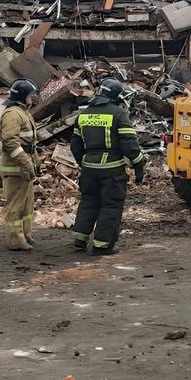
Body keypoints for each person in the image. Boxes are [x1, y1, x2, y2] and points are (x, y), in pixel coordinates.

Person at [70, 77, 145, 256]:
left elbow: (75, 144)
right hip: (111, 171)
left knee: (89, 201)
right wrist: (138, 164)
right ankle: (103, 245)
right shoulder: (118, 114)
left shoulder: (84, 114)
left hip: (88, 169)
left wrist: (83, 161)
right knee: (110, 205)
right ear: (116, 96)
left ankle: (80, 238)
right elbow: (129, 144)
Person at [0, 78, 39, 251]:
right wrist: (25, 162)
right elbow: (10, 141)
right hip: (15, 168)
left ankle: (25, 234)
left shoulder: (24, 112)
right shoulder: (13, 114)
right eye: (30, 95)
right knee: (15, 205)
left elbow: (30, 141)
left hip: (24, 167)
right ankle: (15, 240)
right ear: (22, 96)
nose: (33, 98)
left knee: (27, 204)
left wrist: (34, 162)